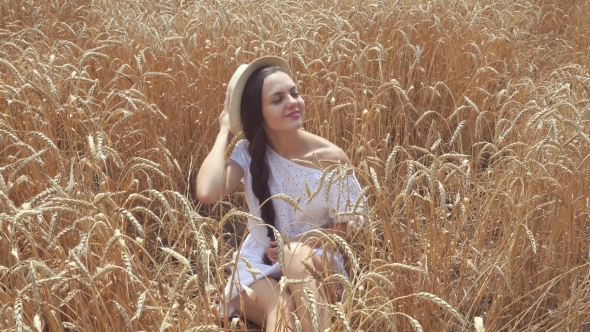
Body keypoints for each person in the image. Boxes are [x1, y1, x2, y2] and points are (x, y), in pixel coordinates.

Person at [196, 57, 365, 332]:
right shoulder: (248, 152)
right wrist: (225, 130)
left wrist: (294, 243)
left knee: (295, 255)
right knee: (282, 308)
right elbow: (206, 191)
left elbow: (347, 227)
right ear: (257, 113)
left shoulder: (330, 158)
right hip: (259, 263)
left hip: (316, 263)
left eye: (294, 93)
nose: (293, 102)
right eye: (278, 99)